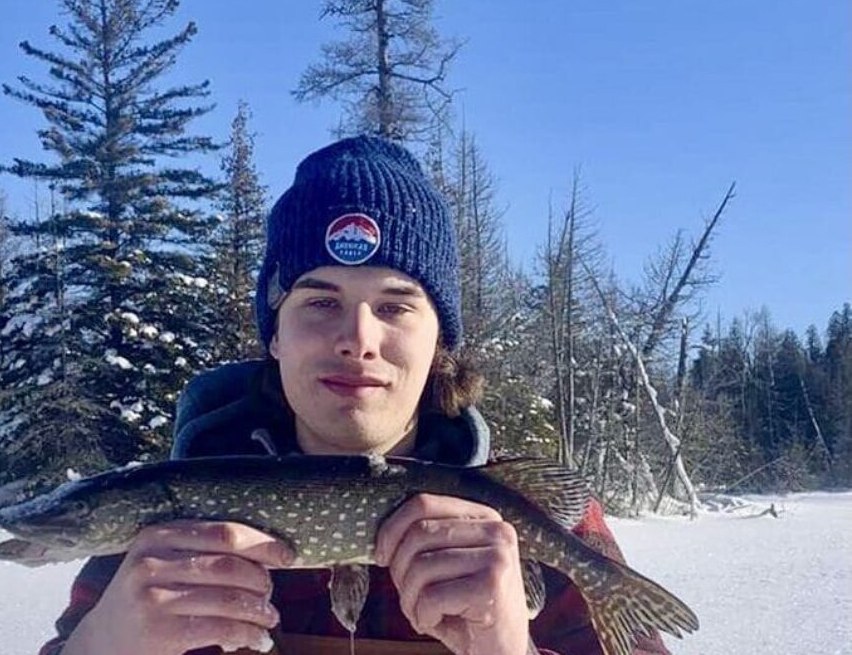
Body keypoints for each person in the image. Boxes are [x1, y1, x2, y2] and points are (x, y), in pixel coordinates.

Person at [41, 136, 669, 654]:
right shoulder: (171, 520)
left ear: (438, 344)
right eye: (320, 302)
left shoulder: (533, 517)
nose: (357, 339)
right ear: (276, 336)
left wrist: (512, 651)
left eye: (395, 305)